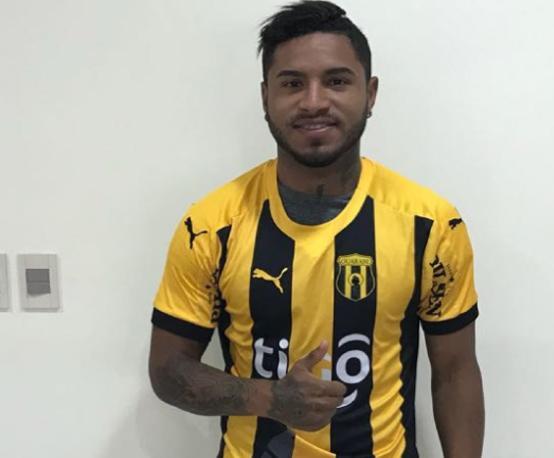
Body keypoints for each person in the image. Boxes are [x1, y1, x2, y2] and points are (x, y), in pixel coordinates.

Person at [148, 1, 485, 457]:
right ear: (265, 97)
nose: (313, 101)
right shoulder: (210, 226)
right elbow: (168, 369)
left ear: (370, 93)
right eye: (292, 83)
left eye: (336, 81)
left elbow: (456, 372)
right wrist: (267, 397)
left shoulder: (430, 225)